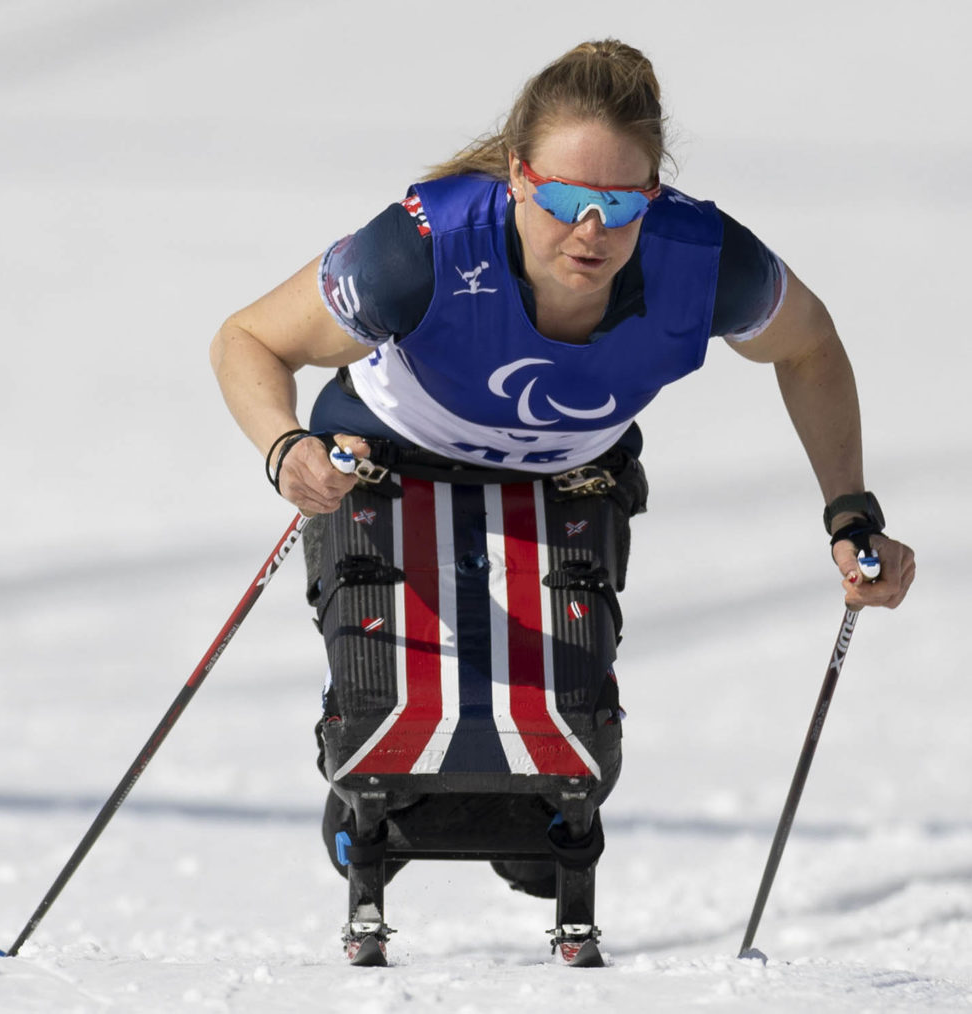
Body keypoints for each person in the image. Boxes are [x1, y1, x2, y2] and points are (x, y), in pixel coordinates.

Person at [209, 39, 916, 967]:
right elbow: (248, 339)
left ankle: (524, 831)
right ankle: (369, 808)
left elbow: (809, 345)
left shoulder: (701, 260)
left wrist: (849, 515)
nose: (590, 229)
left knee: (565, 765)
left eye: (620, 205)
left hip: (566, 477)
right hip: (388, 459)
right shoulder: (422, 247)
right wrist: (284, 447)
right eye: (563, 201)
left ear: (650, 198)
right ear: (516, 177)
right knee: (390, 721)